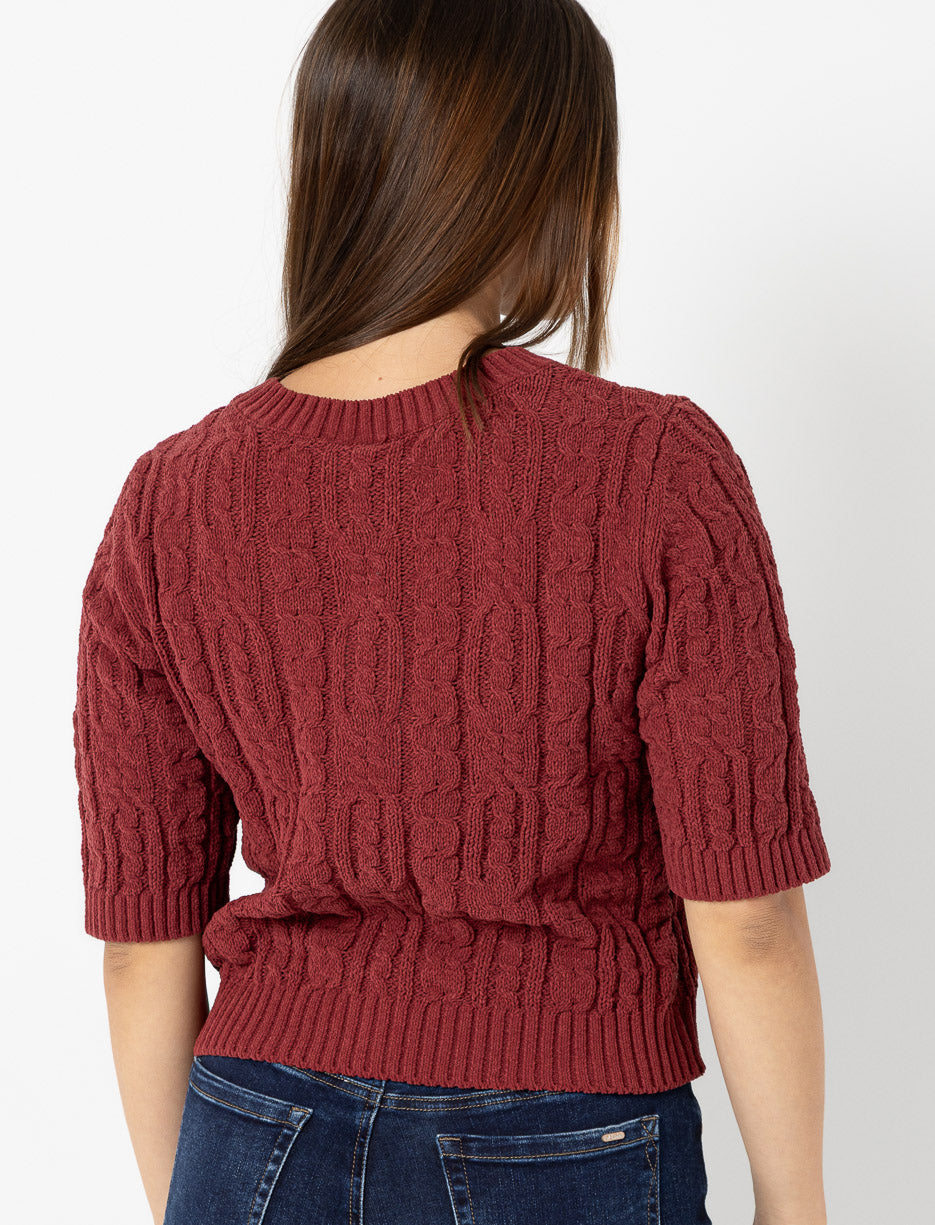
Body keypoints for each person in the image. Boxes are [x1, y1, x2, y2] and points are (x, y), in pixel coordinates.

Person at [72, 2, 832, 1223]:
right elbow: (744, 916)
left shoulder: (169, 498)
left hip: (250, 1116)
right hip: (567, 1131)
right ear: (542, 175)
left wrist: (198, 1199)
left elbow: (139, 941)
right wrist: (795, 1205)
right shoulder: (652, 468)